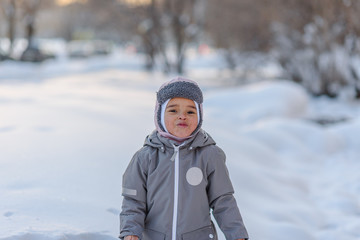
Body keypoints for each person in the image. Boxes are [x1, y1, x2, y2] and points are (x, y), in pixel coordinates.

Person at [120, 77, 249, 240]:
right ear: (159, 114)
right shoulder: (144, 158)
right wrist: (130, 231)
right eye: (173, 110)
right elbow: (133, 202)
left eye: (190, 111)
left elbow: (223, 201)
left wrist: (236, 234)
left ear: (200, 116)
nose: (182, 116)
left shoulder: (210, 155)